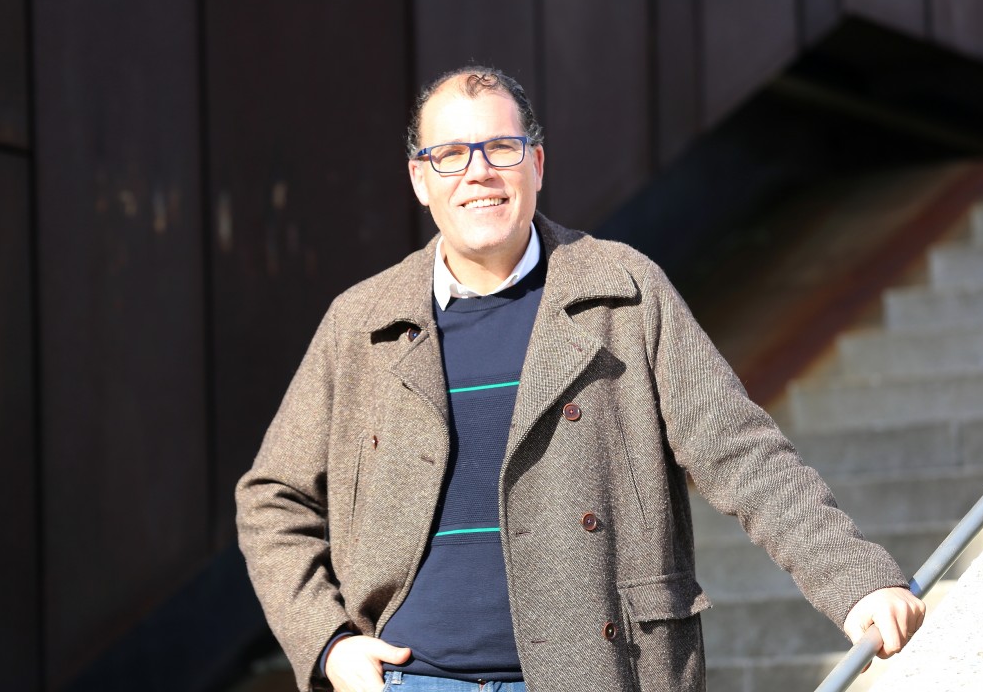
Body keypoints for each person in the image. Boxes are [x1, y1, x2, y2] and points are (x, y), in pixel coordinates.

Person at [235, 66, 925, 692]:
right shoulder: (361, 323)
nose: (478, 173)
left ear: (536, 164)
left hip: (604, 673)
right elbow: (272, 500)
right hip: (411, 681)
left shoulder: (623, 290)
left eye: (500, 149)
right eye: (451, 156)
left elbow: (741, 452)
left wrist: (855, 581)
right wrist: (328, 642)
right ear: (420, 179)